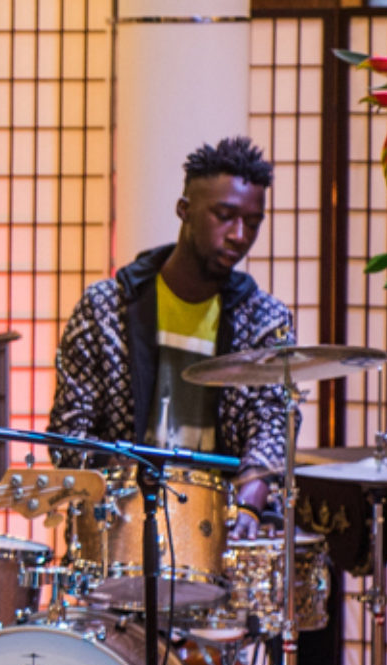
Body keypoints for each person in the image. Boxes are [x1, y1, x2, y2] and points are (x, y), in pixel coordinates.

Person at [46, 135, 292, 529]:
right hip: (124, 525)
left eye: (252, 222)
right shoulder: (105, 309)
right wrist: (130, 487)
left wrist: (247, 504)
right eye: (224, 215)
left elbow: (271, 429)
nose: (239, 235)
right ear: (184, 210)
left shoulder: (265, 319)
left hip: (223, 527)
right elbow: (69, 434)